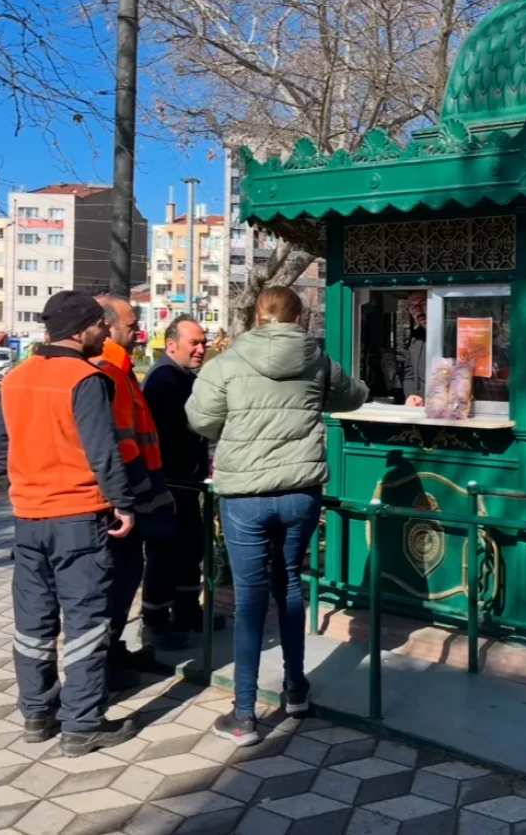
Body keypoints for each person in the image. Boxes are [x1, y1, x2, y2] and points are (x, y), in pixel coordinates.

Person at [187, 285, 368, 746]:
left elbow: (201, 419)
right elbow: (352, 397)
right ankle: (296, 690)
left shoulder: (225, 364)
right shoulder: (319, 361)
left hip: (245, 496)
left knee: (249, 599)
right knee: (289, 583)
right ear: (299, 318)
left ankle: (244, 714)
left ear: (256, 317)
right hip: (299, 493)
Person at [0, 290, 138, 757]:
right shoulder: (84, 378)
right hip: (78, 518)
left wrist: (28, 486)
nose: (106, 332)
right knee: (86, 620)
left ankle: (36, 713)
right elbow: (102, 450)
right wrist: (123, 503)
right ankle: (82, 723)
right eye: (101, 325)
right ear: (83, 329)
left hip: (28, 519)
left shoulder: (16, 378)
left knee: (32, 621)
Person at [94, 296, 179, 669]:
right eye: (131, 326)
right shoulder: (110, 372)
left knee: (127, 576)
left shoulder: (121, 369)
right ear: (108, 327)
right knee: (118, 578)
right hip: (125, 496)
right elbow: (120, 442)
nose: (138, 331)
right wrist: (140, 491)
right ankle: (108, 661)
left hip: (133, 489)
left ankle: (114, 653)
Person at [142, 315, 211, 637]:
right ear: (172, 345)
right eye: (193, 343)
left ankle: (187, 611)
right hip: (169, 483)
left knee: (188, 549)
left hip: (184, 481)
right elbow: (167, 437)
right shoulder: (164, 380)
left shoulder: (180, 376)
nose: (201, 349)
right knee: (166, 553)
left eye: (203, 342)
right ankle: (156, 622)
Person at [401, 290, 427, 406]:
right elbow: (409, 372)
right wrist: (412, 395)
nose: (419, 312)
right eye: (414, 308)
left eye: (424, 305)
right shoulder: (416, 338)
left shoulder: (455, 334)